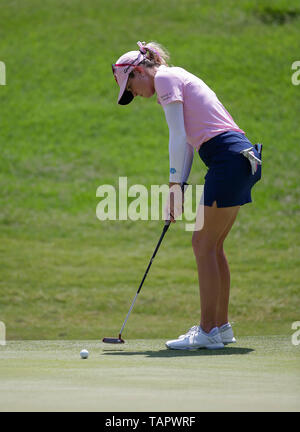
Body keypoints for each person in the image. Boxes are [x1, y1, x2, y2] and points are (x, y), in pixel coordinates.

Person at [112, 41, 262, 350]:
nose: (135, 94)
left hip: (228, 158)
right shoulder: (176, 77)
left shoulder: (166, 78)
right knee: (213, 245)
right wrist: (177, 187)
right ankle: (220, 328)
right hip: (239, 158)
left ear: (139, 71)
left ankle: (207, 329)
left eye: (131, 86)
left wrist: (172, 188)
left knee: (202, 244)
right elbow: (191, 144)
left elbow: (178, 137)